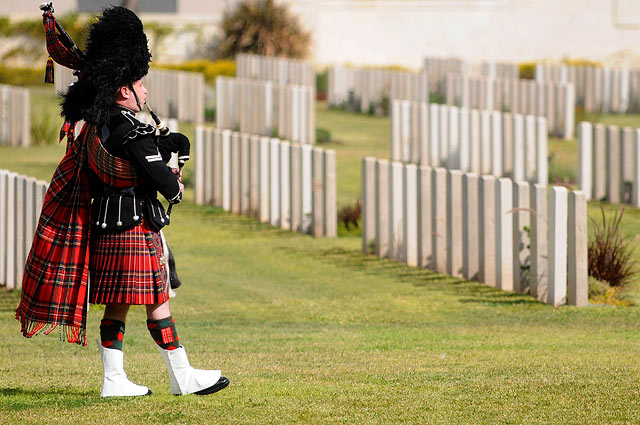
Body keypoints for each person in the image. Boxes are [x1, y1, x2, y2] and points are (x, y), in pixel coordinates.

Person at [16, 4, 228, 397]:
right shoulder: (131, 131)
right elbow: (167, 184)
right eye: (140, 83)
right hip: (135, 225)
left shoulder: (102, 124)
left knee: (118, 306)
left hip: (107, 224)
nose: (145, 90)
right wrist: (176, 172)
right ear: (122, 89)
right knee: (159, 300)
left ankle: (114, 380)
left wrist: (162, 147)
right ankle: (182, 376)